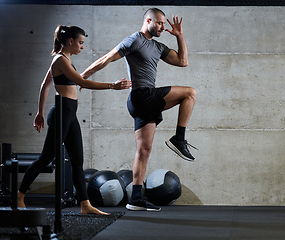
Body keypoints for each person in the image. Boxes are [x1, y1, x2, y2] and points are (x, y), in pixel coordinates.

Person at [81, 8, 197, 211]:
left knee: (144, 151)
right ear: (148, 20)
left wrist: (180, 36)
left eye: (164, 24)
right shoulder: (134, 40)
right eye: (160, 23)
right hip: (142, 95)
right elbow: (107, 58)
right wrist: (82, 77)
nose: (163, 27)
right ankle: (179, 138)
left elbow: (183, 61)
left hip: (145, 99)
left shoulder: (158, 46)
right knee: (190, 93)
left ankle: (134, 199)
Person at [17, 25, 132, 215]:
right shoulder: (60, 60)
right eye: (80, 43)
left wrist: (40, 113)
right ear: (70, 41)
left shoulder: (65, 60)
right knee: (46, 158)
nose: (82, 47)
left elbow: (45, 84)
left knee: (77, 160)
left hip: (70, 114)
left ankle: (85, 205)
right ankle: (20, 196)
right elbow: (82, 82)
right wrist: (113, 86)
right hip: (62, 112)